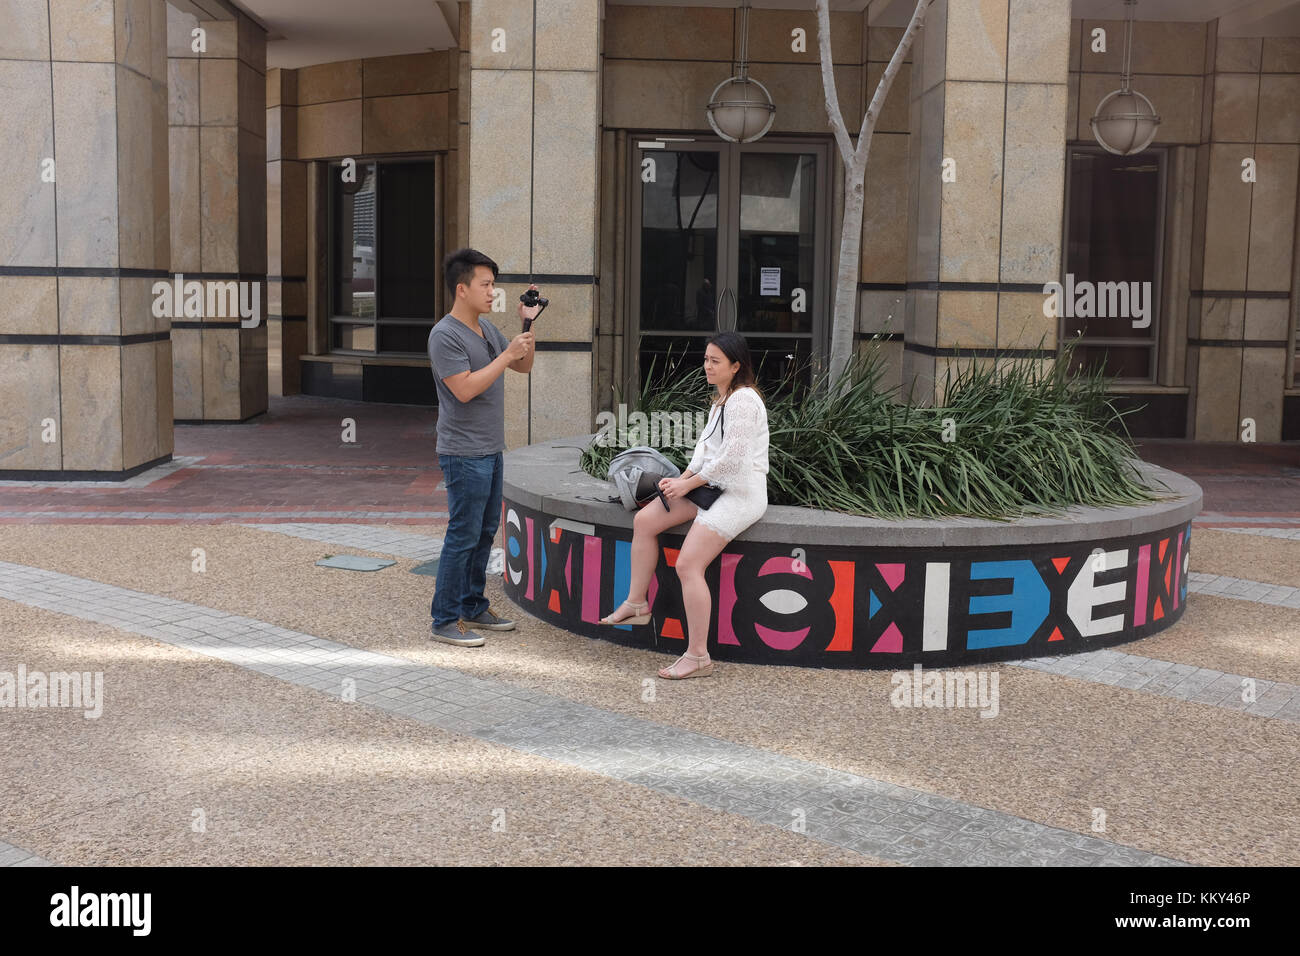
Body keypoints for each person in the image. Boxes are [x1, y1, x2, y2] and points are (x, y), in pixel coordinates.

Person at [599, 332, 769, 678]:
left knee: (688, 564)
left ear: (736, 366)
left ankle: (698, 657)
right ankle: (636, 603)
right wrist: (681, 481)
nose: (707, 366)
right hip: (711, 487)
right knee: (645, 521)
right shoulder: (721, 399)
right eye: (706, 359)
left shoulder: (744, 401)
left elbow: (732, 463)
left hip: (740, 493)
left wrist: (687, 484)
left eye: (715, 361)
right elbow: (705, 454)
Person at [427, 248, 543, 646]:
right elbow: (463, 389)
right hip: (462, 453)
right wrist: (507, 354)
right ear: (462, 289)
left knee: (483, 532)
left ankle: (473, 606)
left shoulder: (486, 330)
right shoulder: (445, 334)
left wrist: (527, 326)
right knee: (462, 534)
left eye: (493, 284)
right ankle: (444, 619)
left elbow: (522, 367)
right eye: (486, 284)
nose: (493, 292)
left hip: (491, 449)